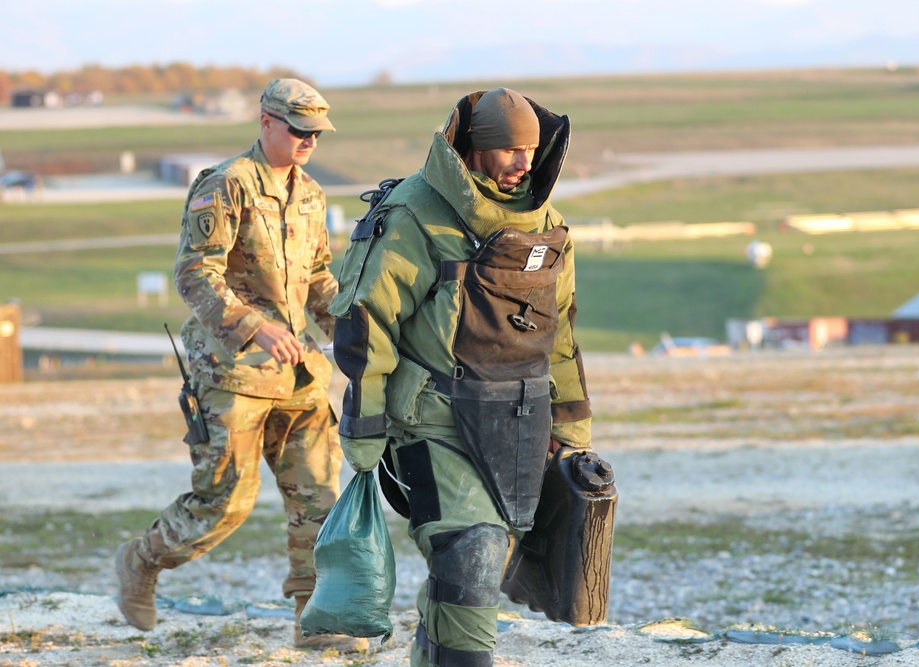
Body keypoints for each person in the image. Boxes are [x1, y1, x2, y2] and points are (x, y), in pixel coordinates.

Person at [330, 88, 592, 666]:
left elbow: (561, 336)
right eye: (507, 151)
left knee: (479, 568)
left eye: (529, 149)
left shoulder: (547, 225)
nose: (522, 163)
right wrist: (366, 425)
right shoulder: (415, 215)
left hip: (520, 425)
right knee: (470, 557)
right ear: (473, 151)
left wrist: (572, 427)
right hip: (433, 423)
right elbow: (366, 320)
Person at [114, 78, 367, 653]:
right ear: (266, 122)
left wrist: (351, 332)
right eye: (299, 130)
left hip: (300, 375)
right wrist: (253, 325)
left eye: (316, 134)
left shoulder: (312, 195)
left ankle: (319, 619)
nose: (308, 142)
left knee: (320, 500)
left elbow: (320, 278)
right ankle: (141, 559)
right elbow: (194, 273)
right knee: (224, 502)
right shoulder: (223, 186)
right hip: (232, 373)